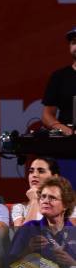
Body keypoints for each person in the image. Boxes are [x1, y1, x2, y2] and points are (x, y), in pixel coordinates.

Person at [41, 27, 76, 188]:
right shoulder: (59, 77)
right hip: (68, 147)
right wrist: (63, 128)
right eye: (74, 42)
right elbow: (47, 115)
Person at [12, 157, 76, 227]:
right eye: (31, 171)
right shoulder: (20, 208)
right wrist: (34, 200)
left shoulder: (68, 206)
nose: (34, 175)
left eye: (41, 171)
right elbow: (22, 235)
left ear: (54, 177)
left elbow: (71, 232)